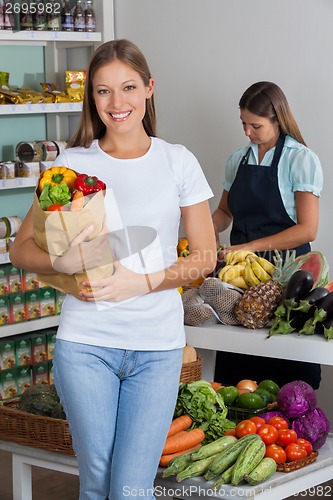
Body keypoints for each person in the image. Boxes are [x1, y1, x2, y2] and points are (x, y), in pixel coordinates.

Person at [10, 39, 216, 499]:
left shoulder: (177, 161)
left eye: (127, 87)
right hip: (86, 347)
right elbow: (22, 249)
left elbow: (205, 257)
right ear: (93, 99)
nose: (116, 103)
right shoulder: (71, 165)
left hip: (157, 349)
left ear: (149, 89)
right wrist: (59, 263)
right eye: (103, 91)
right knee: (97, 483)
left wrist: (140, 283)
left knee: (129, 489)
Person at [212, 81, 323, 390]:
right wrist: (203, 230)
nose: (248, 132)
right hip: (239, 277)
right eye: (243, 124)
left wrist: (250, 246)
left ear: (278, 119)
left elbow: (307, 229)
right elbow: (224, 212)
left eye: (256, 125)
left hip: (288, 279)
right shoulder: (239, 159)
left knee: (286, 374)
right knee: (238, 375)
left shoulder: (300, 160)